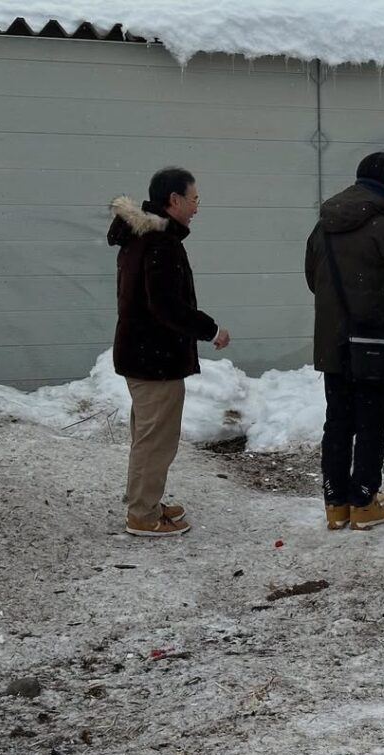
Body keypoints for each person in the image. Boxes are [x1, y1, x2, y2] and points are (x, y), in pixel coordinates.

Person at [107, 167, 231, 537]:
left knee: (148, 437)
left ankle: (144, 501)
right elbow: (165, 305)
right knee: (156, 441)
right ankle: (143, 515)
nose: (196, 207)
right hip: (154, 359)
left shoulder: (140, 237)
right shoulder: (160, 242)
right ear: (173, 200)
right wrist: (211, 329)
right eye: (194, 199)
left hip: (142, 354)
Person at [305, 152, 384, 531]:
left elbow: (311, 278)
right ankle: (363, 502)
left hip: (332, 344)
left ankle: (335, 505)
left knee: (337, 422)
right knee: (370, 422)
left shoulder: (323, 228)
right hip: (373, 345)